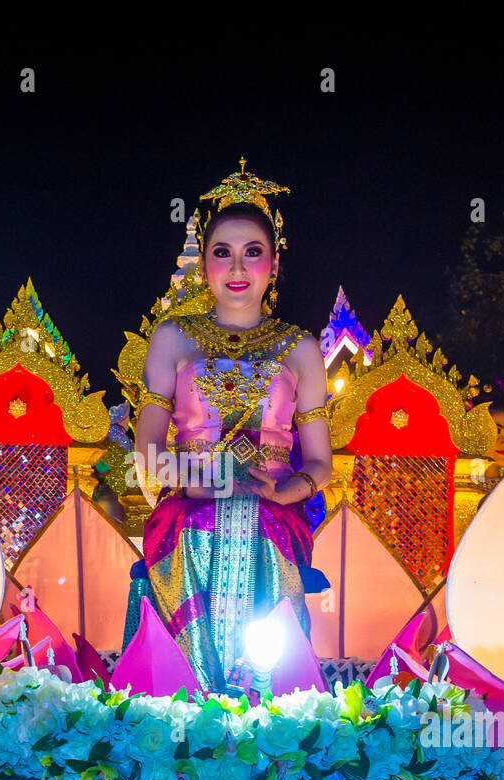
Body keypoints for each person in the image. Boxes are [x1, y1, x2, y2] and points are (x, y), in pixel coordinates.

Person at [129, 161, 331, 695]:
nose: (237, 266)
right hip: (189, 509)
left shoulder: (301, 347)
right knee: (195, 538)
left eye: (252, 251)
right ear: (205, 266)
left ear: (274, 263)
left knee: (266, 542)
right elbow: (146, 450)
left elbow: (320, 463)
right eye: (222, 252)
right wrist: (195, 483)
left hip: (272, 514)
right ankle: (182, 719)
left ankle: (268, 730)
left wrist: (287, 489)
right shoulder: (173, 338)